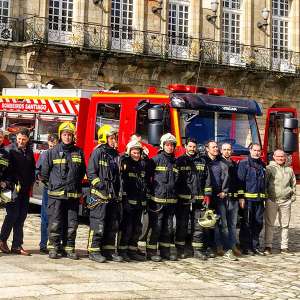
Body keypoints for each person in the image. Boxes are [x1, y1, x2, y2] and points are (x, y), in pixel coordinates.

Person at [41, 122, 86, 260]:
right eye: (65, 134)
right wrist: (54, 186)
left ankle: (69, 248)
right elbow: (44, 174)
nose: (67, 137)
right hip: (56, 195)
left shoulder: (78, 152)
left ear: (73, 136)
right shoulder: (51, 152)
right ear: (61, 135)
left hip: (72, 195)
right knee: (55, 222)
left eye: (70, 135)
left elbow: (82, 172)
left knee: (72, 223)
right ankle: (54, 247)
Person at [87, 124, 123, 263]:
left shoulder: (115, 154)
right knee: (98, 223)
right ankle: (94, 250)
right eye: (112, 138)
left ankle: (108, 250)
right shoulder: (98, 152)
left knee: (111, 224)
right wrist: (100, 185)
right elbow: (91, 172)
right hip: (99, 196)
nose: (115, 140)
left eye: (115, 138)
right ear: (104, 138)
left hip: (112, 196)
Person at [0, 128, 35, 256]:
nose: (21, 141)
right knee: (12, 214)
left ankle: (17, 245)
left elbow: (32, 169)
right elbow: (2, 170)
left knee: (21, 217)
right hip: (8, 188)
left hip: (24, 190)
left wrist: (31, 182)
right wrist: (4, 183)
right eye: (19, 138)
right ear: (16, 137)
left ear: (27, 139)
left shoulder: (29, 151)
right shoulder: (9, 150)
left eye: (23, 139)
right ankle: (2, 240)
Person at [175, 138, 212, 260]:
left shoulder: (202, 161)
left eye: (194, 147)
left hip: (199, 199)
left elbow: (207, 179)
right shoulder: (180, 161)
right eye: (190, 146)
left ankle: (197, 250)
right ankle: (181, 250)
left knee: (198, 226)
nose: (192, 149)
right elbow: (175, 180)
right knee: (182, 225)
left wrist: (207, 195)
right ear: (186, 146)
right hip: (183, 199)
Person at [146, 133, 178, 262]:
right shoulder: (155, 160)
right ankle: (151, 251)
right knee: (156, 227)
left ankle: (165, 251)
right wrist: (149, 193)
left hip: (171, 201)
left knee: (168, 228)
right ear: (163, 145)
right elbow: (147, 178)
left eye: (172, 145)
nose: (170, 147)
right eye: (168, 145)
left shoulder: (176, 162)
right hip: (157, 200)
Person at [118, 140, 148, 262]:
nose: (136, 155)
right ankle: (122, 250)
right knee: (127, 227)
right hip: (128, 202)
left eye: (138, 153)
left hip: (139, 202)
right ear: (129, 152)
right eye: (134, 152)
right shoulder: (125, 163)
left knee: (137, 228)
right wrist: (124, 200)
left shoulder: (142, 165)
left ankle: (132, 250)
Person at [264, 149, 296, 254]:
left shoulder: (289, 170)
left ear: (285, 157)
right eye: (278, 156)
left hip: (285, 201)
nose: (280, 158)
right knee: (270, 224)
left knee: (285, 225)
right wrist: (266, 197)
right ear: (274, 157)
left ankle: (284, 247)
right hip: (272, 200)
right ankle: (268, 246)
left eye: (282, 156)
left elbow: (293, 184)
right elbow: (265, 184)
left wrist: (293, 196)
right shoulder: (269, 168)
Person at [238, 143, 266, 255]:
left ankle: (255, 246)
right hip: (247, 200)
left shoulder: (262, 164)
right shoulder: (244, 163)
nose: (257, 152)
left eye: (259, 150)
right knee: (247, 223)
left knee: (258, 223)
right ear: (250, 150)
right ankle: (246, 246)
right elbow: (240, 181)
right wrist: (241, 198)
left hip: (259, 201)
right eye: (255, 150)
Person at [217, 143, 242, 260]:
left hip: (233, 198)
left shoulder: (234, 164)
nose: (227, 151)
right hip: (223, 199)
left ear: (231, 151)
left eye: (229, 149)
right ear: (221, 151)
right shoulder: (218, 163)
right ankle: (223, 248)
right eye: (224, 149)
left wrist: (240, 196)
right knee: (223, 225)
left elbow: (238, 182)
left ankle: (233, 246)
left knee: (232, 225)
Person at [204, 140, 229, 258]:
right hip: (207, 197)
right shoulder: (203, 161)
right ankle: (207, 246)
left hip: (219, 197)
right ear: (207, 149)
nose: (216, 149)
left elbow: (227, 178)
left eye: (216, 147)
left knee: (222, 223)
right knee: (207, 223)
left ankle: (221, 247)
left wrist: (225, 191)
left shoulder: (221, 163)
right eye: (213, 147)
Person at [36, 133, 58, 254]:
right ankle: (43, 244)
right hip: (47, 189)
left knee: (57, 218)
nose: (51, 148)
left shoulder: (61, 154)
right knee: (45, 217)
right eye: (49, 146)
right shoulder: (44, 155)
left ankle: (54, 243)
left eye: (53, 145)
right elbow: (37, 170)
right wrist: (40, 177)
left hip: (59, 191)